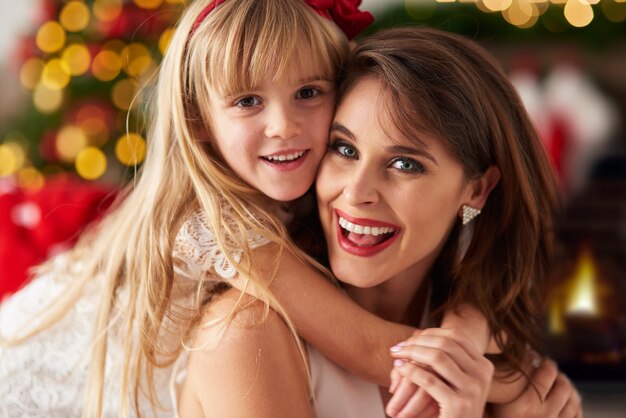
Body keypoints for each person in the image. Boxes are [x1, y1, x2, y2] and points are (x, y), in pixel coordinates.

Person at [0, 1, 493, 417]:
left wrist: (470, 327)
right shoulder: (216, 225)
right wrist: (510, 381)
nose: (284, 125)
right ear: (198, 121)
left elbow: (473, 278)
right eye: (248, 101)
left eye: (308, 92)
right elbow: (367, 347)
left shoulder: (301, 195)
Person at [311, 26, 582, 417]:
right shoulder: (253, 328)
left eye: (405, 164)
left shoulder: (493, 343)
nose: (356, 193)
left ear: (477, 190)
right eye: (345, 148)